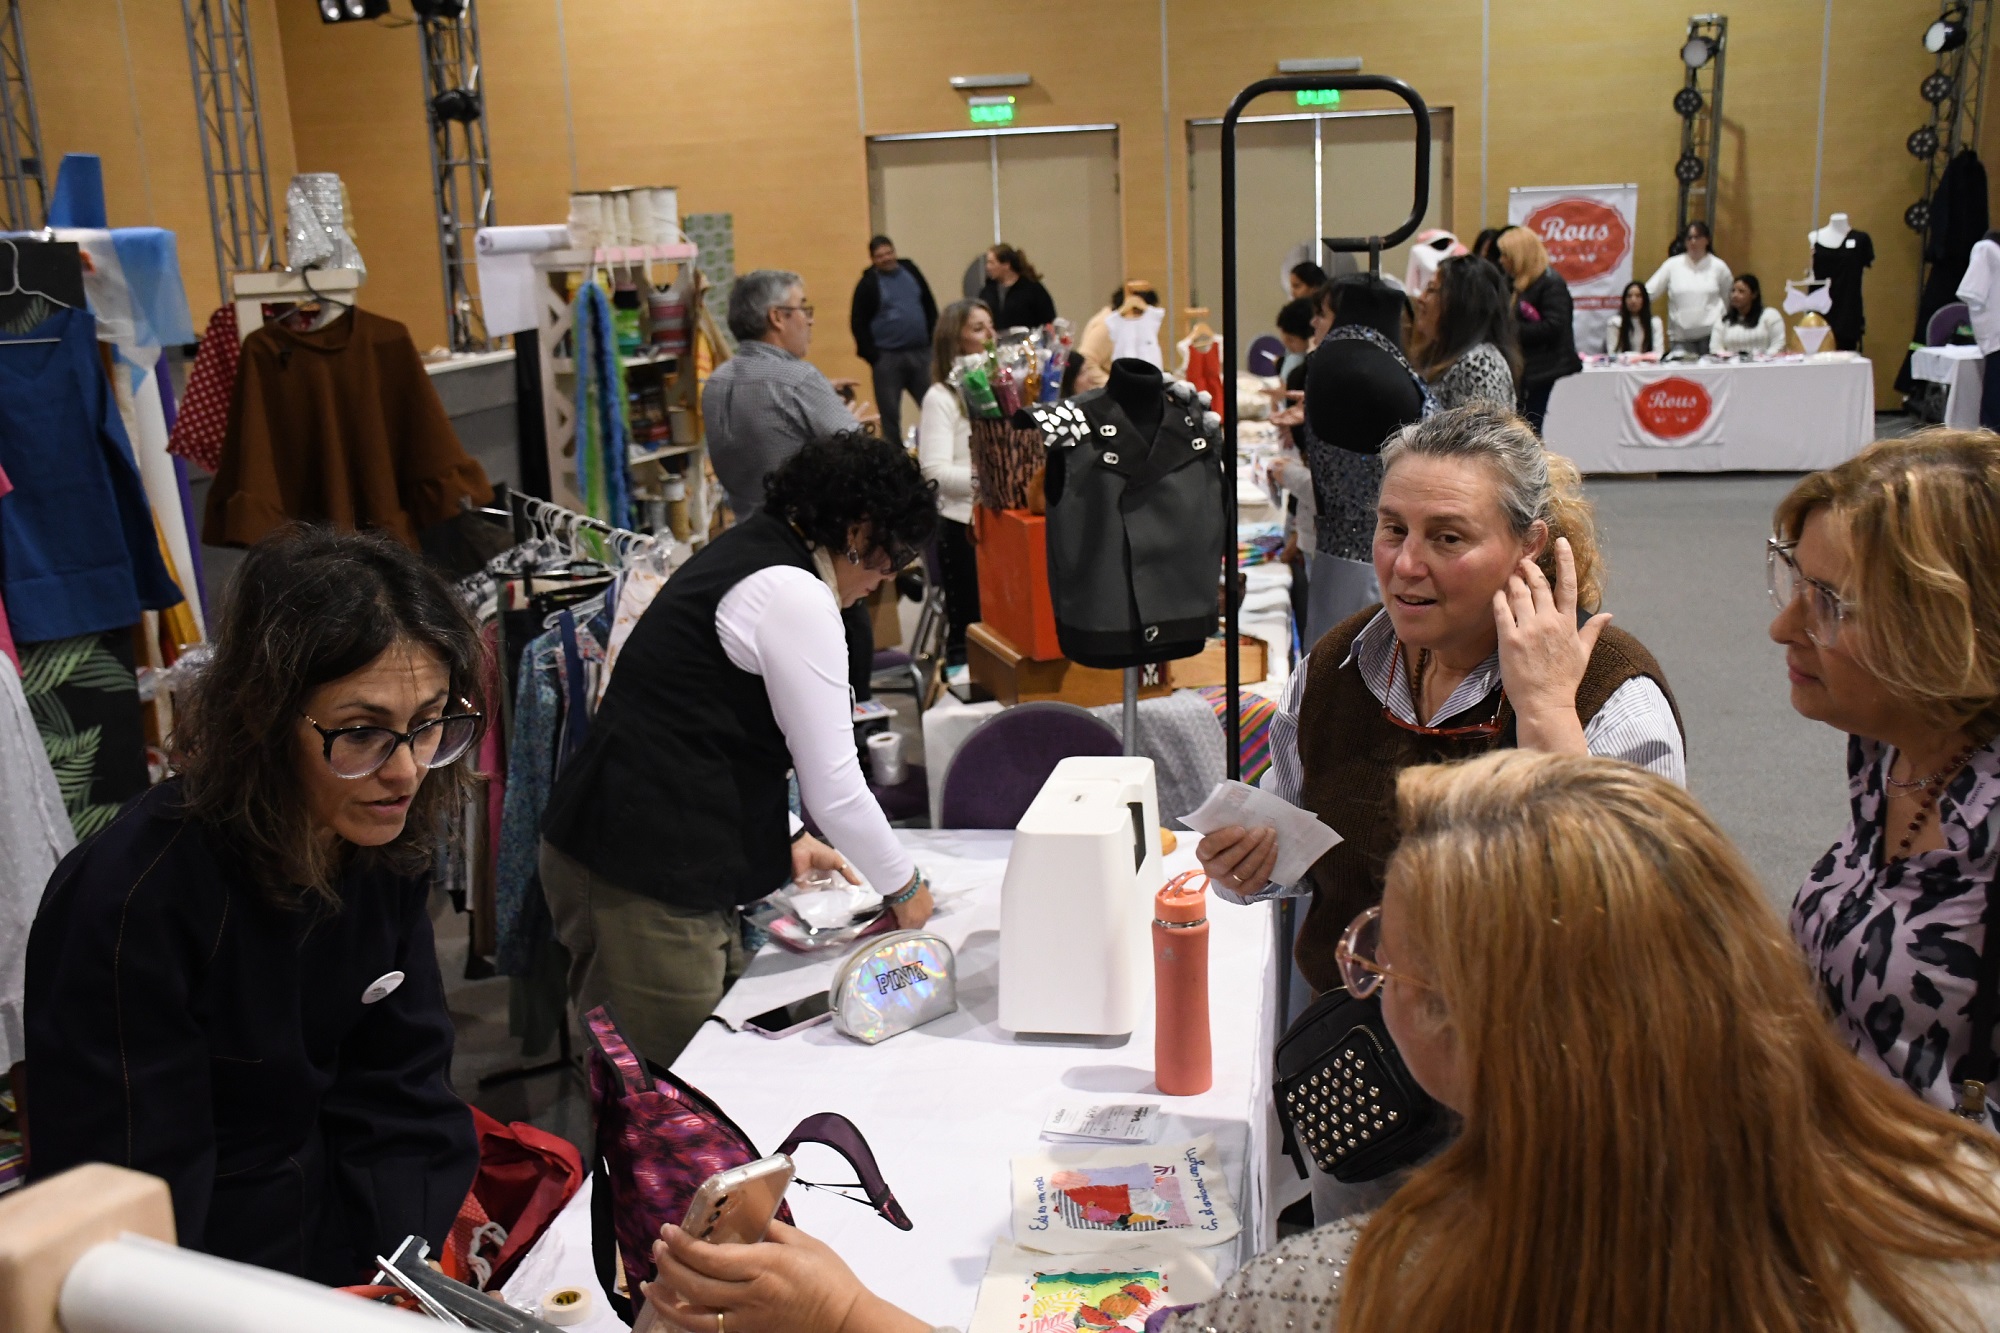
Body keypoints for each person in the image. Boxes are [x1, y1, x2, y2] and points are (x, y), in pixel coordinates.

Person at [638, 751, 2000, 1333]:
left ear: (1459, 1031)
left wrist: (845, 1312)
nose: (1368, 975)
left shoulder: (1381, 1286)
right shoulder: (1952, 1204)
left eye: (1381, 957)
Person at [25, 527, 481, 1284]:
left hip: (351, 1254)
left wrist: (403, 1276)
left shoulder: (379, 842)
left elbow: (403, 1091)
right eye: (361, 731)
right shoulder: (130, 901)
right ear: (264, 719)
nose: (405, 770)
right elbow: (131, 1203)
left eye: (429, 722)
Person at [538, 433, 939, 1069]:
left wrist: (783, 829)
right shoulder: (792, 592)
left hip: (654, 855)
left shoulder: (757, 555)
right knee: (672, 1097)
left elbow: (702, 720)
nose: (888, 578)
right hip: (636, 871)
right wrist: (905, 887)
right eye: (895, 556)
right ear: (859, 530)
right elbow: (836, 789)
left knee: (713, 1075)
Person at [1777, 431, 2000, 1118]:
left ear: (1944, 628)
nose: (1783, 626)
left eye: (1828, 603)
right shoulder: (1887, 754)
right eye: (1794, 581)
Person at [704, 268, 877, 698]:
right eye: (803, 309)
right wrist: (848, 422)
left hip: (746, 546)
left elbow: (764, 422)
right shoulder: (800, 380)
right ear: (777, 317)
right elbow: (862, 457)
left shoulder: (717, 382)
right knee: (840, 685)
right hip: (809, 551)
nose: (810, 320)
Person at [1297, 273, 1432, 643]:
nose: (1314, 321)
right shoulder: (1351, 367)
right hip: (1359, 569)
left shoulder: (1359, 360)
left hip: (1379, 560)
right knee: (1353, 665)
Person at [916, 298, 994, 665]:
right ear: (956, 340)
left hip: (999, 523)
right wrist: (992, 480)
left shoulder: (998, 388)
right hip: (962, 526)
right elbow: (934, 473)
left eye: (991, 326)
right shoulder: (940, 397)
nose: (991, 336)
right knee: (969, 635)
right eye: (979, 329)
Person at [848, 235, 938, 446]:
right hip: (887, 359)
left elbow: (928, 303)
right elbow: (858, 322)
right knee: (889, 417)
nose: (886, 258)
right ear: (873, 259)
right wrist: (873, 356)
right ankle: (895, 458)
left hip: (921, 354)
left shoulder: (911, 272)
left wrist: (932, 339)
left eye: (889, 253)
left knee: (934, 405)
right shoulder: (867, 285)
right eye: (880, 256)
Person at [1495, 227, 1579, 433]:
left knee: (1531, 429)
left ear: (1518, 256)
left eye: (1505, 255)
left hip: (1545, 373)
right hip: (1529, 371)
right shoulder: (1516, 284)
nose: (1501, 261)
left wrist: (1510, 331)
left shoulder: (1551, 284)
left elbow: (1554, 327)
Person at [1413, 253, 1519, 411]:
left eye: (1431, 290)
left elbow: (1486, 426)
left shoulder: (1481, 365)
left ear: (1459, 303)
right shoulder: (1442, 353)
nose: (1421, 298)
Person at [1644, 220, 1733, 356]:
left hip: (1712, 338)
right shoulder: (1672, 265)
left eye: (1697, 237)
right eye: (1689, 238)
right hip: (1680, 339)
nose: (1693, 242)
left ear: (1707, 240)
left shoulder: (1719, 267)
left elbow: (1730, 300)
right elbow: (1648, 292)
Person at [977, 243, 1057, 331]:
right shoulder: (987, 291)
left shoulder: (1032, 289)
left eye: (991, 263)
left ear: (1006, 265)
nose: (988, 267)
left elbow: (1048, 321)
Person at [1710, 273, 1786, 355]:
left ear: (1754, 294)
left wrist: (1762, 358)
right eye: (1733, 291)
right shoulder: (1723, 321)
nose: (1735, 295)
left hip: (1765, 361)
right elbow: (1715, 349)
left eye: (1741, 291)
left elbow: (1778, 344)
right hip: (1731, 362)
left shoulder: (1770, 315)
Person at [1603, 279, 1663, 355]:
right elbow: (1612, 354)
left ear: (1644, 299)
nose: (1633, 300)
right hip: (1622, 362)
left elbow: (1658, 353)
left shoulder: (1655, 322)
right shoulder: (1615, 322)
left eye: (1638, 296)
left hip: (1648, 362)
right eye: (1629, 296)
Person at [1274, 294, 1315, 385]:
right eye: (1284, 337)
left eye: (1291, 340)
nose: (1286, 344)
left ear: (1310, 337)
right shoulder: (1291, 354)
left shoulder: (1309, 366)